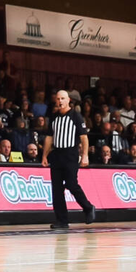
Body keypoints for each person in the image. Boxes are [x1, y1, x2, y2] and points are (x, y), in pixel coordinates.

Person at [44, 88, 93, 228]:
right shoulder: (53, 117)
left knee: (71, 184)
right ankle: (62, 221)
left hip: (70, 154)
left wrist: (85, 155)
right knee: (57, 189)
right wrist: (44, 156)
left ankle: (88, 207)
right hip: (57, 154)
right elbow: (49, 137)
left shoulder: (76, 116)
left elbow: (84, 137)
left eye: (63, 99)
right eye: (58, 99)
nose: (60, 101)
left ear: (68, 100)